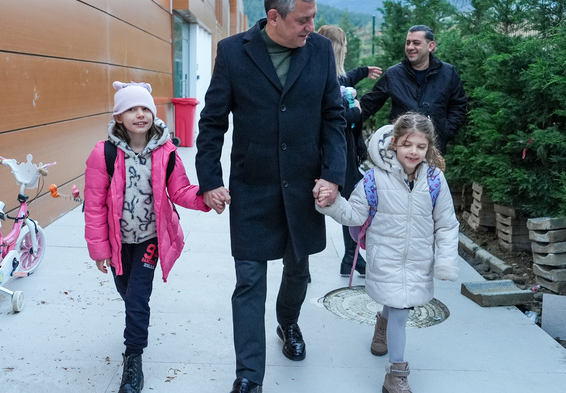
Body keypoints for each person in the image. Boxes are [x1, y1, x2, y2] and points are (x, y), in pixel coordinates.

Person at [194, 0, 347, 391]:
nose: (312, 26)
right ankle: (248, 375)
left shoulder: (320, 52)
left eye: (313, 17)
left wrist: (332, 175)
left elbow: (333, 116)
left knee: (298, 270)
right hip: (252, 187)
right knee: (248, 280)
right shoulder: (232, 51)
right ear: (274, 17)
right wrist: (209, 180)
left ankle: (288, 322)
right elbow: (212, 122)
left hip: (303, 186)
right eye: (303, 19)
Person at [316, 112, 459, 393]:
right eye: (407, 144)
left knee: (398, 307)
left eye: (420, 146)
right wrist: (331, 203)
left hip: (418, 261)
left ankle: (382, 326)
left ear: (429, 147)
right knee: (400, 308)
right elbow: (354, 213)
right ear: (394, 143)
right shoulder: (373, 180)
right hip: (386, 259)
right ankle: (396, 375)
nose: (414, 152)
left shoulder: (434, 181)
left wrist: (445, 261)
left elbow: (446, 224)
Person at [84, 81, 212, 393]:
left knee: (139, 297)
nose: (140, 114)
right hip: (117, 242)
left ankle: (133, 358)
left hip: (150, 238)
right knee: (127, 292)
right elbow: (94, 205)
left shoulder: (166, 152)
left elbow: (180, 190)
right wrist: (99, 249)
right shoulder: (105, 154)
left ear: (153, 114)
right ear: (118, 117)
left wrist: (206, 198)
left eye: (145, 108)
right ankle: (135, 324)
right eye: (131, 109)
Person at [316, 24, 382, 277]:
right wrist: (355, 112)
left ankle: (347, 258)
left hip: (341, 151)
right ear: (338, 47)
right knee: (351, 205)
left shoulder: (328, 74)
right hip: (337, 152)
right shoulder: (327, 78)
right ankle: (350, 257)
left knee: (345, 204)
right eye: (344, 43)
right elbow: (333, 114)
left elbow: (347, 78)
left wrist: (364, 71)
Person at [359, 24, 468, 154]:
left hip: (433, 149)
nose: (410, 47)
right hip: (400, 149)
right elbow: (370, 103)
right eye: (408, 43)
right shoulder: (393, 74)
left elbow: (459, 105)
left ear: (431, 46)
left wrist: (445, 131)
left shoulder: (448, 73)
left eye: (416, 43)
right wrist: (347, 119)